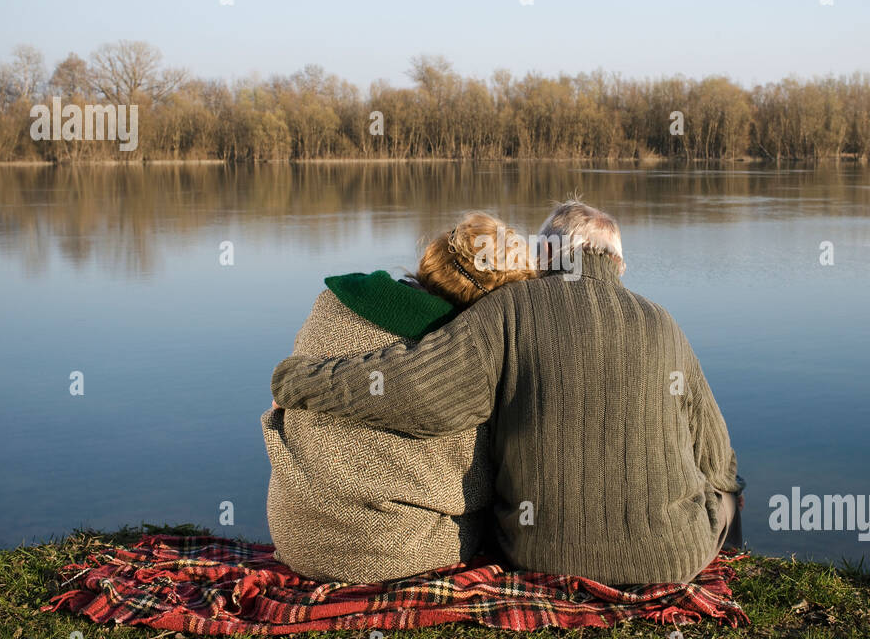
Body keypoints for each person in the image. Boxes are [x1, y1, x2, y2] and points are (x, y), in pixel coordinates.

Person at [271, 200, 742, 585]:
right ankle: (737, 562)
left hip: (537, 552)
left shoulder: (509, 308)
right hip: (671, 560)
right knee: (726, 492)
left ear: (544, 255)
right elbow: (717, 456)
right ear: (618, 263)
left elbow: (418, 391)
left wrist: (299, 381)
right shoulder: (663, 322)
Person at [261, 210, 535, 582]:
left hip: (296, 535)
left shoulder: (333, 301)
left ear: (434, 254)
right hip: (398, 552)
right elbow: (487, 479)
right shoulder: (471, 354)